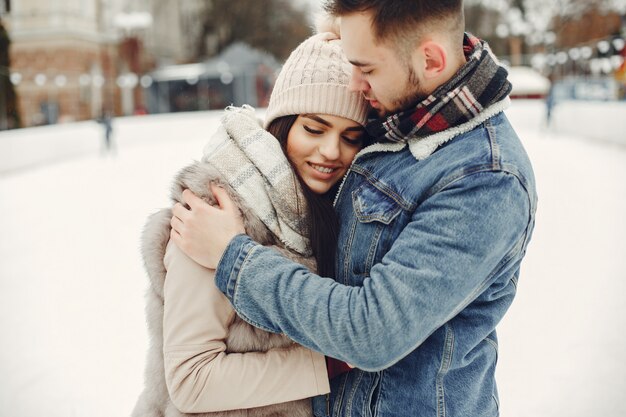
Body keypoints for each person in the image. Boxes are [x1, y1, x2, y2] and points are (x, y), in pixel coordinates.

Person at [171, 1, 538, 416]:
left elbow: (372, 333)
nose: (356, 82)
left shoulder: (484, 176)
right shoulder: (398, 126)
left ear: (431, 59)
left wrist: (232, 257)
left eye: (367, 68)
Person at [131, 31, 369, 417]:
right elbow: (191, 381)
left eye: (350, 137)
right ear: (283, 123)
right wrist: (326, 364)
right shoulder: (215, 207)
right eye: (314, 128)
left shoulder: (327, 213)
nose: (331, 151)